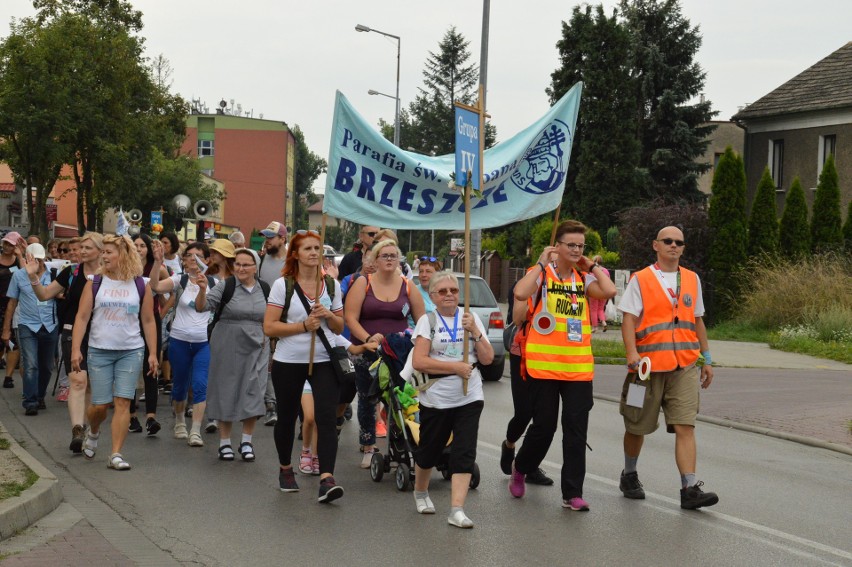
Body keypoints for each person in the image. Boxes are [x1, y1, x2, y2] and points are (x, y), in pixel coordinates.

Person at [508, 220, 616, 511]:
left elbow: (609, 291)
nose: (576, 249)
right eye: (571, 245)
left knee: (576, 429)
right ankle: (521, 467)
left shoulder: (582, 278)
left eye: (580, 245)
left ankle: (572, 493)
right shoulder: (542, 274)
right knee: (544, 427)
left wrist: (591, 265)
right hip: (543, 365)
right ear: (557, 246)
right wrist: (542, 265)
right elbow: (520, 294)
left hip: (578, 367)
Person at [617, 226, 718, 510]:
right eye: (668, 241)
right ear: (656, 245)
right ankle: (629, 474)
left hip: (683, 365)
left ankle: (689, 488)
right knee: (637, 425)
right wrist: (631, 353)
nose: (674, 245)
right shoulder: (642, 279)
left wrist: (707, 359)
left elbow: (697, 320)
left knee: (685, 425)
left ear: (684, 248)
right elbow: (628, 318)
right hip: (646, 368)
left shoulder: (692, 279)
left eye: (679, 242)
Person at [263, 229, 347, 502]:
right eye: (308, 248)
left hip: (324, 359)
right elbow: (269, 327)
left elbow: (339, 325)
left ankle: (326, 478)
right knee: (287, 417)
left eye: (317, 248)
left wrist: (326, 315)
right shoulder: (282, 285)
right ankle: (286, 468)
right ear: (295, 254)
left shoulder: (331, 286)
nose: (314, 253)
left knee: (325, 416)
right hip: (289, 360)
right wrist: (303, 325)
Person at [411, 271, 494, 528]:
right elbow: (419, 361)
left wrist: (476, 334)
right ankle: (421, 491)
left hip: (470, 395)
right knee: (430, 451)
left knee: (464, 451)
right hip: (437, 397)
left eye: (454, 291)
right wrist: (455, 368)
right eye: (443, 291)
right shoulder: (428, 320)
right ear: (433, 296)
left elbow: (488, 358)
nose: (449, 295)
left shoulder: (471, 318)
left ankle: (456, 509)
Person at [71, 235, 159, 470]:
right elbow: (81, 317)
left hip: (131, 350)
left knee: (123, 402)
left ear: (124, 255)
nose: (104, 256)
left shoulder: (141, 284)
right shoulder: (96, 282)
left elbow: (149, 321)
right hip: (99, 350)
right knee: (100, 406)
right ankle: (95, 430)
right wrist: (75, 349)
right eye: (104, 252)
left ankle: (116, 454)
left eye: (109, 252)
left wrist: (152, 353)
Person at [344, 239, 425, 467]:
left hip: (398, 353)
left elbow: (422, 321)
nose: (390, 260)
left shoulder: (408, 286)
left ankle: (402, 444)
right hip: (368, 352)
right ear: (375, 260)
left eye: (393, 256)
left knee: (400, 399)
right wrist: (368, 339)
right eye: (385, 256)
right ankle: (369, 446)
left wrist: (413, 338)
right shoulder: (363, 283)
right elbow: (350, 317)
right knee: (368, 399)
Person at [28, 232, 104, 452]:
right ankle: (77, 430)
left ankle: (90, 427)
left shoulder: (109, 275)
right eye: (81, 248)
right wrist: (34, 277)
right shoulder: (71, 272)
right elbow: (43, 295)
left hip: (100, 334)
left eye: (87, 248)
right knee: (78, 380)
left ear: (100, 251)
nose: (81, 251)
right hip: (72, 330)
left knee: (90, 384)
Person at [196, 247, 270, 463]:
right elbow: (202, 307)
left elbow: (275, 316)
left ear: (255, 267)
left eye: (246, 264)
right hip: (227, 341)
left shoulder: (264, 288)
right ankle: (225, 443)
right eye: (237, 264)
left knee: (254, 389)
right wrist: (202, 290)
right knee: (226, 388)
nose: (241, 268)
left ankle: (247, 441)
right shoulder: (226, 285)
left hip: (257, 343)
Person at [150, 240, 215, 447]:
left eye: (198, 256)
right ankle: (179, 422)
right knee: (179, 386)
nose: (193, 260)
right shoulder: (180, 280)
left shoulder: (216, 284)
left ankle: (195, 430)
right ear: (184, 260)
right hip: (179, 341)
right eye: (189, 256)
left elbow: (201, 307)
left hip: (202, 343)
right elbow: (155, 286)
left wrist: (203, 289)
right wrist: (157, 263)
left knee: (200, 385)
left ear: (207, 260)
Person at [497, 280, 555, 487]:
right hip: (522, 354)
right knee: (524, 413)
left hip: (550, 358)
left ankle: (529, 465)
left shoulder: (567, 283)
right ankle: (509, 443)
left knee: (543, 420)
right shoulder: (528, 283)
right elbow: (518, 317)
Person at [2, 243, 60, 416]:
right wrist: (6, 329)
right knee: (31, 365)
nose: (38, 262)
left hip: (50, 325)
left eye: (40, 259)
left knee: (47, 366)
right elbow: (12, 303)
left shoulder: (54, 274)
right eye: (34, 259)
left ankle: (40, 395)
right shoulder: (19, 276)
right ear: (27, 259)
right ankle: (30, 401)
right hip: (27, 325)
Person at [128, 234, 168, 436]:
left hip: (151, 320)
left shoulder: (156, 267)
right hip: (128, 321)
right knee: (129, 369)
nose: (138, 248)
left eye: (142, 245)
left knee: (151, 367)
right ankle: (131, 415)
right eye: (134, 245)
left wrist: (161, 312)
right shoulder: (124, 267)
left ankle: (151, 416)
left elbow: (159, 291)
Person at [258, 221, 289, 427]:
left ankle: (288, 403)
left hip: (288, 321)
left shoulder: (293, 262)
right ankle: (271, 405)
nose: (267, 241)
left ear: (282, 239)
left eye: (271, 237)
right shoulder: (260, 261)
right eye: (266, 237)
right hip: (265, 320)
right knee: (267, 364)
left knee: (286, 365)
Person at [0, 232, 24, 389]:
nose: (7, 246)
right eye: (6, 243)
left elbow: (28, 275)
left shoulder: (19, 262)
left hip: (14, 304)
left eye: (11, 244)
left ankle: (8, 376)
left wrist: (21, 255)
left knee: (13, 342)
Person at [588, 255, 611, 332]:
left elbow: (590, 281)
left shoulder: (593, 271)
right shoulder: (606, 271)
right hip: (604, 292)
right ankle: (604, 322)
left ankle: (594, 327)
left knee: (593, 309)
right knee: (601, 309)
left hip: (594, 292)